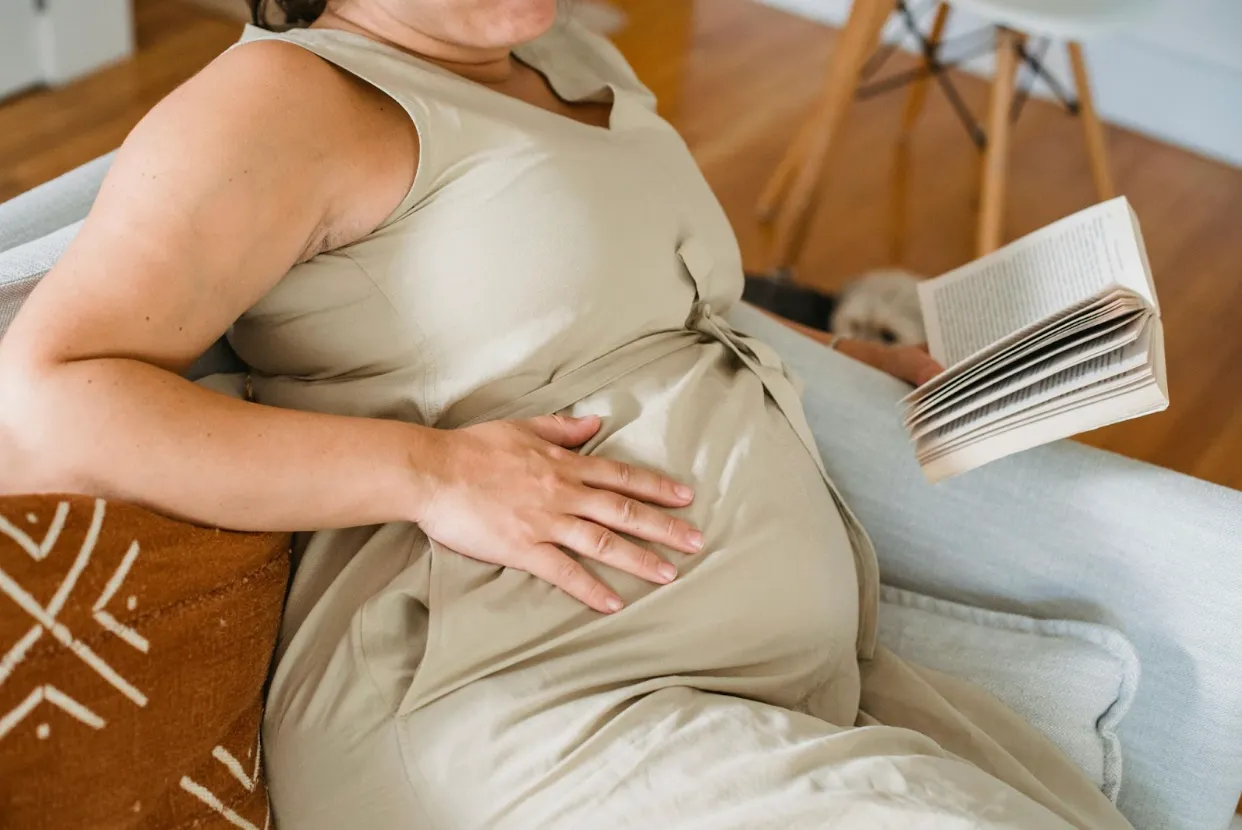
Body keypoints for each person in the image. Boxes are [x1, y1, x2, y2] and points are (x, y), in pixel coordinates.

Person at [0, 1, 1132, 827]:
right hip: (511, 691)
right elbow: (49, 395)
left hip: (768, 671)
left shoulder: (553, 45)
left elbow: (651, 304)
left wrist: (845, 352)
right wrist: (428, 472)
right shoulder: (285, 104)